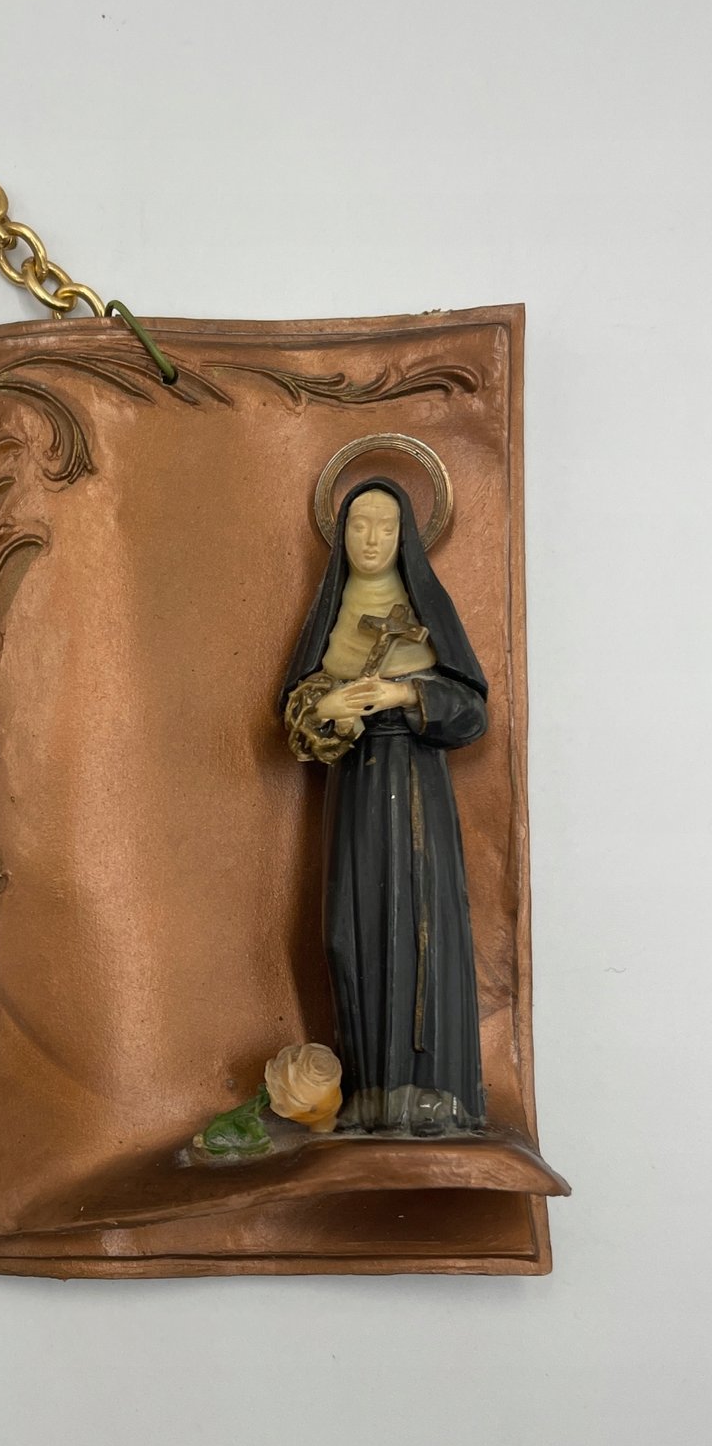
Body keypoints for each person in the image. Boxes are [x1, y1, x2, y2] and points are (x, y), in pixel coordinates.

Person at [279, 481, 488, 1134]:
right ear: (340, 533)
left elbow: (472, 711)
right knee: (352, 930)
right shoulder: (332, 613)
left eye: (385, 528)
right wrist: (329, 706)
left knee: (420, 927)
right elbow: (296, 718)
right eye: (359, 526)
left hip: (419, 788)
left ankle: (433, 1096)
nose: (370, 540)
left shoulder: (426, 613)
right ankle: (369, 1094)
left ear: (406, 538)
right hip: (356, 794)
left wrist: (405, 696)